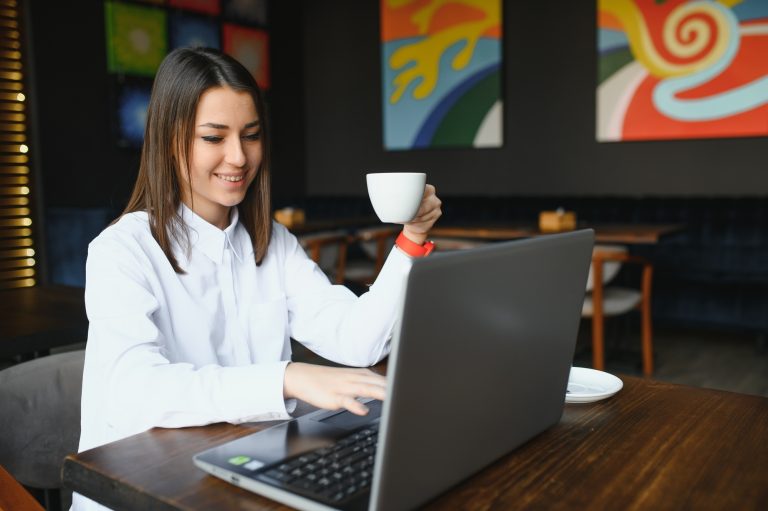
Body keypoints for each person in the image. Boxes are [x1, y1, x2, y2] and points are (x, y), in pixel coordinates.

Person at [72, 47, 441, 510]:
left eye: (251, 135)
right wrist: (286, 378)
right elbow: (135, 392)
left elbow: (359, 342)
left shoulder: (273, 242)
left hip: (240, 474)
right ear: (170, 140)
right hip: (146, 490)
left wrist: (411, 240)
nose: (239, 157)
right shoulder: (121, 251)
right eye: (213, 137)